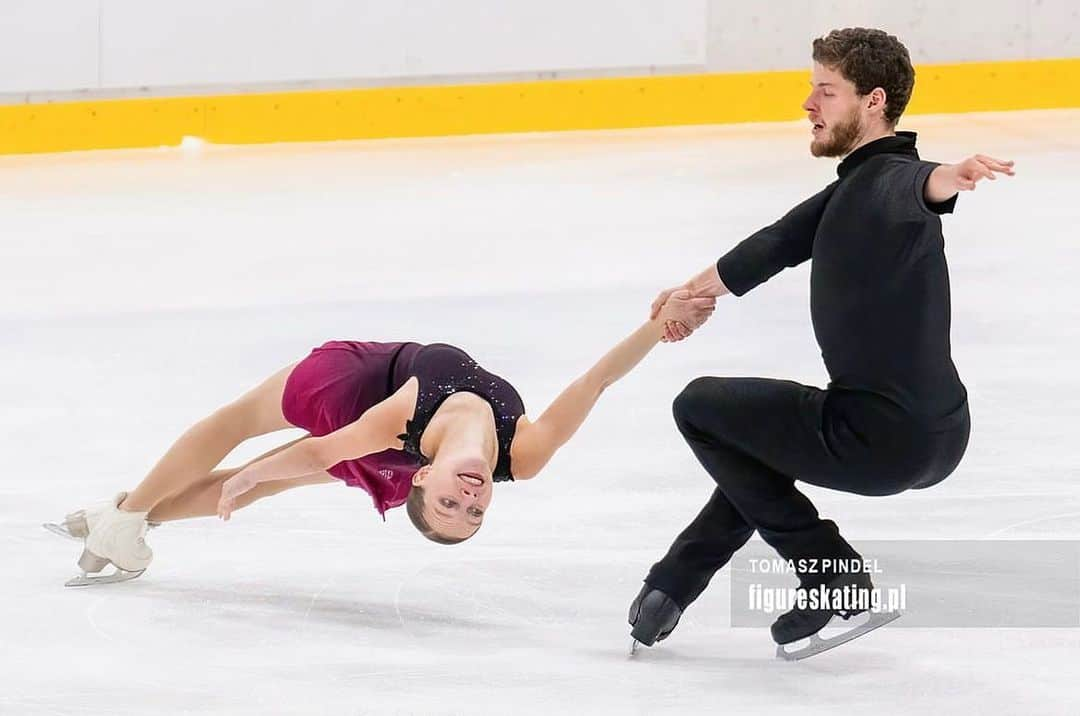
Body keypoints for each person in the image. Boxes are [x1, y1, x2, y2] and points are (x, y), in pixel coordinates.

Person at [631, 27, 1015, 658]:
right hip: (939, 431)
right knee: (756, 440)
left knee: (699, 406)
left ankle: (831, 569)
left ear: (874, 102)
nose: (808, 105)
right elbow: (774, 244)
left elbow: (919, 186)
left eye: (825, 91)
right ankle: (670, 588)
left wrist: (950, 175)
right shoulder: (851, 189)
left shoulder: (891, 182)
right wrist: (690, 294)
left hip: (879, 437)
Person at [47, 292, 715, 586]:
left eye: (451, 508)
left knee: (237, 429)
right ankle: (122, 517)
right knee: (248, 449)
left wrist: (252, 476)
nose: (470, 500)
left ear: (422, 480)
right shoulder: (525, 454)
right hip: (372, 396)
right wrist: (660, 327)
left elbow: (319, 450)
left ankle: (125, 516)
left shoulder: (397, 431)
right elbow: (596, 383)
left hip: (353, 389)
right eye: (476, 513)